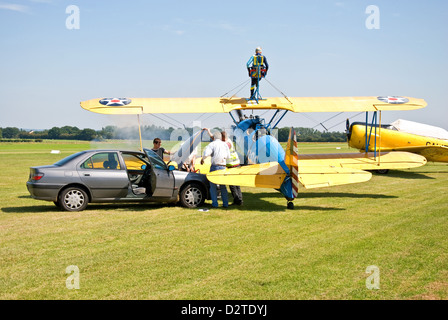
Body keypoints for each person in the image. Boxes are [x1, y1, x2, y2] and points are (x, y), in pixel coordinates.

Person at [200, 130, 230, 208]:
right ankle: (225, 204)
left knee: (213, 186)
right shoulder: (225, 145)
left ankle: (215, 204)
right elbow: (228, 156)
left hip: (214, 166)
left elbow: (206, 154)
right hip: (223, 166)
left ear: (214, 137)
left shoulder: (212, 144)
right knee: (223, 186)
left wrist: (202, 159)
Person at [221, 131, 243, 206]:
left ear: (223, 137)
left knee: (232, 185)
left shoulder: (227, 143)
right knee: (236, 184)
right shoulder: (228, 141)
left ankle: (237, 200)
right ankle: (239, 200)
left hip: (232, 165)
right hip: (236, 164)